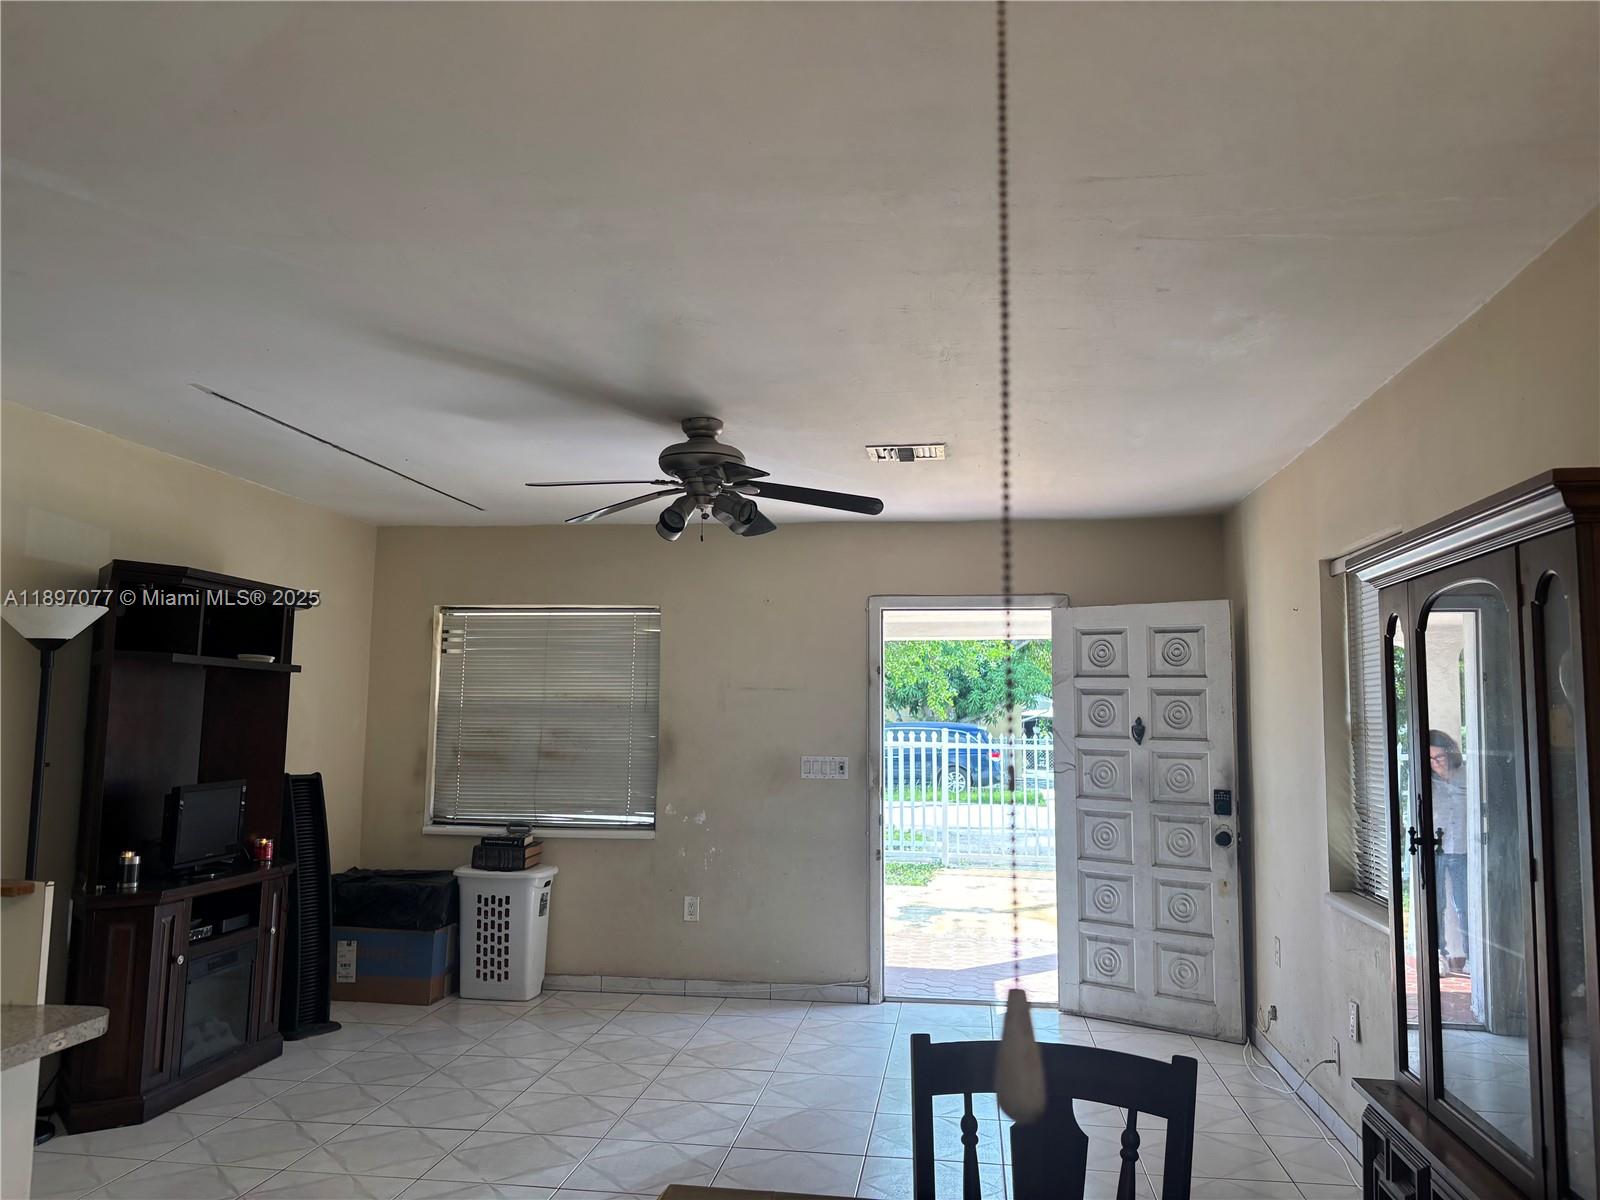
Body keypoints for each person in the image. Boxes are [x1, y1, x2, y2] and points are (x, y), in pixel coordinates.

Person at [1429, 729, 1470, 975]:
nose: (1435, 764)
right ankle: (1438, 954)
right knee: (1436, 905)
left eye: (1439, 758)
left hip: (1463, 848)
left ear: (1450, 754)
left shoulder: (1466, 776)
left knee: (1464, 905)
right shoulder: (1426, 781)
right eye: (1431, 759)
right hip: (1433, 849)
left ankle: (1473, 956)